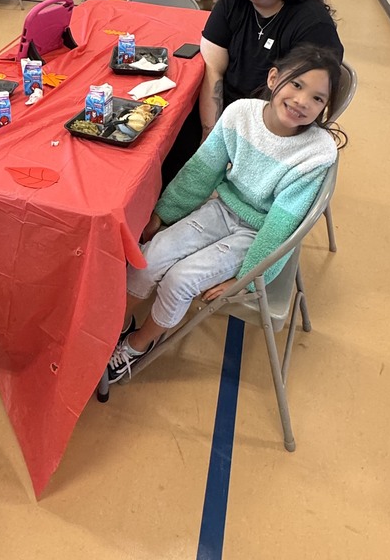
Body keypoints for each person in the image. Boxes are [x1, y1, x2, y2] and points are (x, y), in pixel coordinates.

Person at [107, 44, 341, 382]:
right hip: (222, 208)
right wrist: (164, 213)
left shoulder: (316, 153)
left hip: (257, 233)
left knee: (179, 280)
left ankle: (137, 344)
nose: (303, 101)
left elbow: (280, 225)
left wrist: (247, 279)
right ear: (274, 78)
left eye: (318, 99)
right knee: (148, 259)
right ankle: (110, 328)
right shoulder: (240, 114)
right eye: (297, 85)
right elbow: (202, 172)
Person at [198, 0, 344, 141]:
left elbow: (301, 101)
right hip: (227, 114)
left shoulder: (312, 24)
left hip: (277, 125)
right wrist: (210, 135)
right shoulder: (229, 7)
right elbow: (212, 71)